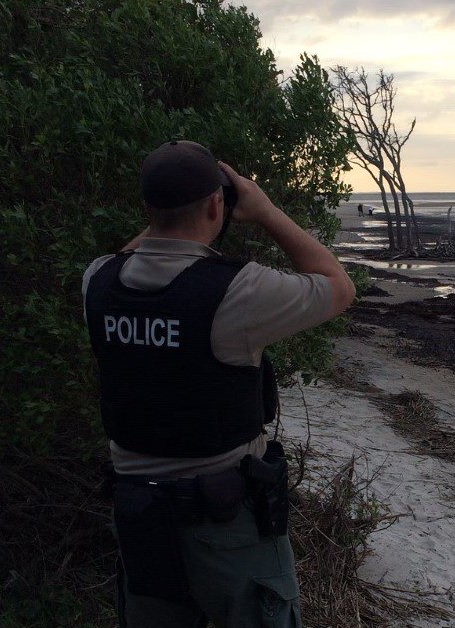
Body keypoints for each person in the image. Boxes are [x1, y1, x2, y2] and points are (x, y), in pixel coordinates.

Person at [82, 140, 355, 627]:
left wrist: (171, 209)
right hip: (225, 520)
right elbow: (337, 285)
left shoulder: (98, 282)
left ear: (148, 209)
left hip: (140, 517)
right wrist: (265, 209)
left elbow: (131, 255)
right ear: (217, 205)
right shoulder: (235, 291)